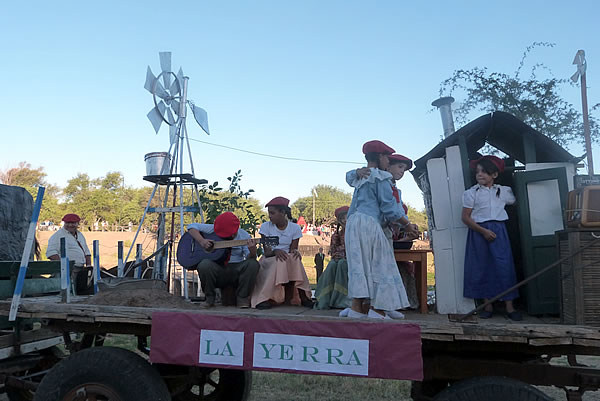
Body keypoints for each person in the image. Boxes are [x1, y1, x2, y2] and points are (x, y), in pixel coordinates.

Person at [344, 140, 418, 320]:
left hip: (354, 223)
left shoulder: (361, 176)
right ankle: (378, 309)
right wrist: (407, 225)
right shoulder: (380, 177)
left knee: (360, 265)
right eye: (386, 157)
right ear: (380, 157)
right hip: (370, 224)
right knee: (380, 265)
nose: (388, 160)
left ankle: (357, 308)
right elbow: (390, 208)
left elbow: (348, 177)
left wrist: (356, 171)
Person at [462, 155, 522, 321]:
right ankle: (487, 305)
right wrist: (483, 231)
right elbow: (466, 218)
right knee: (482, 268)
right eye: (477, 172)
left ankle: (510, 307)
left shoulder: (504, 191)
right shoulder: (471, 193)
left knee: (504, 267)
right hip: (478, 232)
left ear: (494, 175)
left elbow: (518, 202)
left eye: (484, 172)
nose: (479, 175)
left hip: (498, 231)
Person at [186, 212, 259, 308]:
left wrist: (252, 251)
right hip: (218, 270)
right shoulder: (212, 229)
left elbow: (250, 258)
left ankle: (242, 298)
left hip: (236, 270)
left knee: (253, 264)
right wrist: (202, 241)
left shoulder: (244, 235)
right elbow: (191, 227)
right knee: (204, 264)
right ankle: (209, 298)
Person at [250, 197, 313, 309]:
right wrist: (276, 251)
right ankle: (264, 298)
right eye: (269, 213)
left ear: (283, 212)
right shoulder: (266, 227)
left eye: (272, 213)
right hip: (270, 258)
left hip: (287, 258)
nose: (270, 216)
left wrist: (295, 252)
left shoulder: (295, 228)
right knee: (279, 261)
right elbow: (267, 251)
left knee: (295, 258)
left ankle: (304, 296)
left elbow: (293, 248)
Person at [314, 206, 351, 310]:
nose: (344, 220)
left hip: (353, 260)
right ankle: (327, 298)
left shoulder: (357, 232)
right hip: (341, 258)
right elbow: (333, 251)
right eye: (341, 218)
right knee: (332, 264)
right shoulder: (337, 234)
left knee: (342, 264)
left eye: (346, 217)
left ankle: (343, 299)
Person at [46, 214, 92, 293]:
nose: (70, 225)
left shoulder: (80, 235)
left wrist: (88, 266)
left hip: (82, 269)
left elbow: (87, 252)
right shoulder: (58, 236)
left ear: (77, 224)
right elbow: (51, 253)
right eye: (67, 223)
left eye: (73, 223)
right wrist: (65, 266)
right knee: (72, 289)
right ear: (64, 223)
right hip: (68, 270)